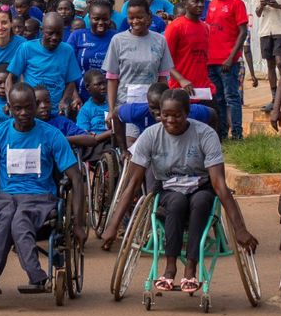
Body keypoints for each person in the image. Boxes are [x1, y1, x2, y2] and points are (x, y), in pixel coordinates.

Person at [102, 88, 258, 294]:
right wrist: (113, 226)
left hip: (201, 186)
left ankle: (190, 269)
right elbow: (132, 183)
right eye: (165, 115)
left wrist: (240, 228)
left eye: (177, 115)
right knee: (177, 202)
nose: (170, 120)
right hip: (167, 188)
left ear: (187, 113)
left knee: (201, 201)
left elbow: (219, 184)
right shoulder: (150, 136)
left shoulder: (205, 134)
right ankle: (169, 268)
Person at [0, 82, 86, 292]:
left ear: (35, 106)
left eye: (28, 107)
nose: (23, 113)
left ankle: (30, 277)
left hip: (40, 198)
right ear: (9, 108)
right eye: (18, 108)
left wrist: (78, 224)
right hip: (6, 197)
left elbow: (76, 178)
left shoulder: (52, 135)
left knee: (19, 219)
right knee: (8, 217)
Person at [103, 0, 184, 127]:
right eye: (131, 18)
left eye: (139, 17)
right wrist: (112, 110)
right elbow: (112, 79)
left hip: (152, 107)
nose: (135, 21)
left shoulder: (160, 41)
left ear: (148, 16)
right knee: (131, 143)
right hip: (126, 106)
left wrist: (164, 106)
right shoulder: (117, 41)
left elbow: (163, 78)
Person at [8, 12, 80, 117]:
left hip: (55, 112)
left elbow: (70, 82)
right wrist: (11, 103)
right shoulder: (26, 48)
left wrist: (64, 100)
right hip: (30, 113)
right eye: (50, 33)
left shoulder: (67, 51)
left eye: (58, 33)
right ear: (41, 31)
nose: (54, 37)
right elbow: (10, 79)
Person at [205, 0, 249, 140]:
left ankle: (237, 134)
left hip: (228, 61)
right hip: (211, 61)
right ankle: (222, 133)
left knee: (232, 97)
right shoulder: (212, 4)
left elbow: (243, 32)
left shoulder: (236, 3)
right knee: (218, 98)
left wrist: (231, 57)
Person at [118, 81, 216, 145]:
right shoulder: (137, 111)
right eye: (153, 107)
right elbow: (115, 114)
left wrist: (213, 143)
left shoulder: (184, 112)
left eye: (160, 108)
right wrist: (123, 150)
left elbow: (212, 114)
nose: (156, 112)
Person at [163, 0, 213, 100]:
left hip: (203, 91)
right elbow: (164, 60)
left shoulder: (205, 28)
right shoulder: (175, 27)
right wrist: (181, 80)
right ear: (185, 4)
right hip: (181, 91)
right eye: (195, 2)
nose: (200, 5)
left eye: (202, 1)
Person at [65, 2, 115, 104]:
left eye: (105, 19)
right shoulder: (77, 36)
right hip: (80, 98)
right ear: (89, 18)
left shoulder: (117, 37)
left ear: (110, 18)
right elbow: (67, 68)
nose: (100, 22)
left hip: (109, 99)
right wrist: (74, 97)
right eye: (96, 19)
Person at [75, 69, 112, 138]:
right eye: (98, 84)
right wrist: (109, 133)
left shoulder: (113, 103)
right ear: (87, 87)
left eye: (104, 83)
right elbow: (84, 136)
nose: (103, 87)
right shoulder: (85, 110)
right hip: (96, 145)